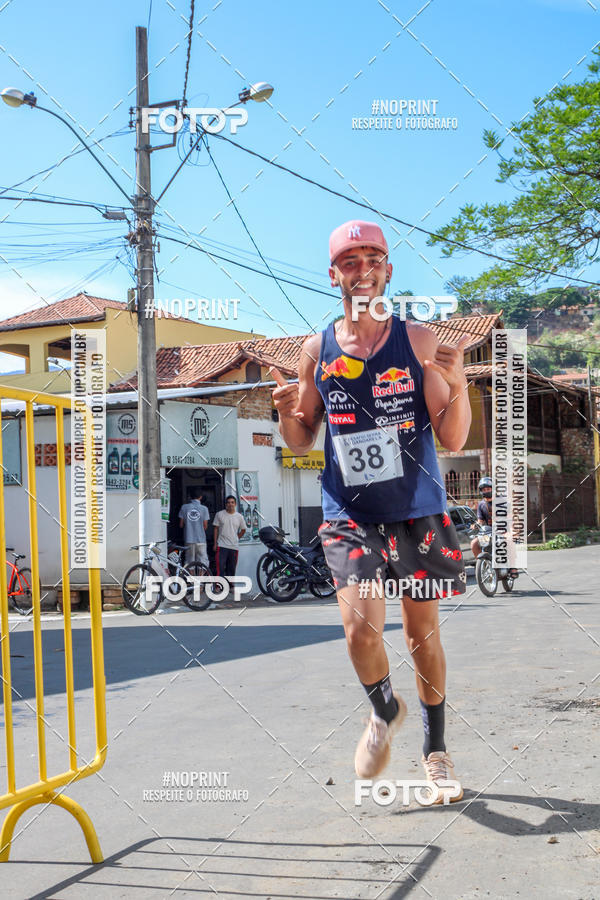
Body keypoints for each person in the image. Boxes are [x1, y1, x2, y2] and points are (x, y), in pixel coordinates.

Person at [271, 219, 472, 804]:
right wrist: (282, 408)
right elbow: (302, 439)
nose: (363, 270)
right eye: (350, 262)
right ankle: (384, 710)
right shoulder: (317, 349)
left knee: (419, 634)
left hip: (416, 510)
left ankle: (436, 750)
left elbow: (454, 439)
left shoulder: (419, 342)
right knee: (359, 628)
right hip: (349, 511)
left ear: (388, 270)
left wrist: (456, 384)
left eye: (373, 259)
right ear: (334, 275)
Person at [213, 496, 246, 580]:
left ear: (235, 504)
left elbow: (243, 530)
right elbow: (216, 528)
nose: (230, 504)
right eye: (228, 502)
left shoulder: (239, 517)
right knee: (220, 567)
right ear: (226, 504)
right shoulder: (219, 514)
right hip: (221, 545)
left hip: (234, 546)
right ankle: (218, 586)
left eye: (232, 502)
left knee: (231, 568)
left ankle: (230, 586)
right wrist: (215, 543)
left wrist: (236, 538)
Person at [178, 488, 210, 567]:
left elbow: (181, 525)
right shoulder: (204, 509)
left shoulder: (184, 507)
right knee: (202, 561)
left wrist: (189, 526)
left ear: (190, 497)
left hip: (189, 538)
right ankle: (200, 578)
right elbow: (205, 526)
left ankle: (191, 578)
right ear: (201, 497)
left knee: (189, 561)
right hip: (201, 539)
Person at [470, 475, 493, 559]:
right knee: (474, 543)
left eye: (488, 489)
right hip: (488, 533)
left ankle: (513, 568)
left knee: (510, 543)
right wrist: (475, 525)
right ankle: (482, 564)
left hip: (502, 532)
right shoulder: (481, 504)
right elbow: (480, 520)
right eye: (484, 490)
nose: (486, 491)